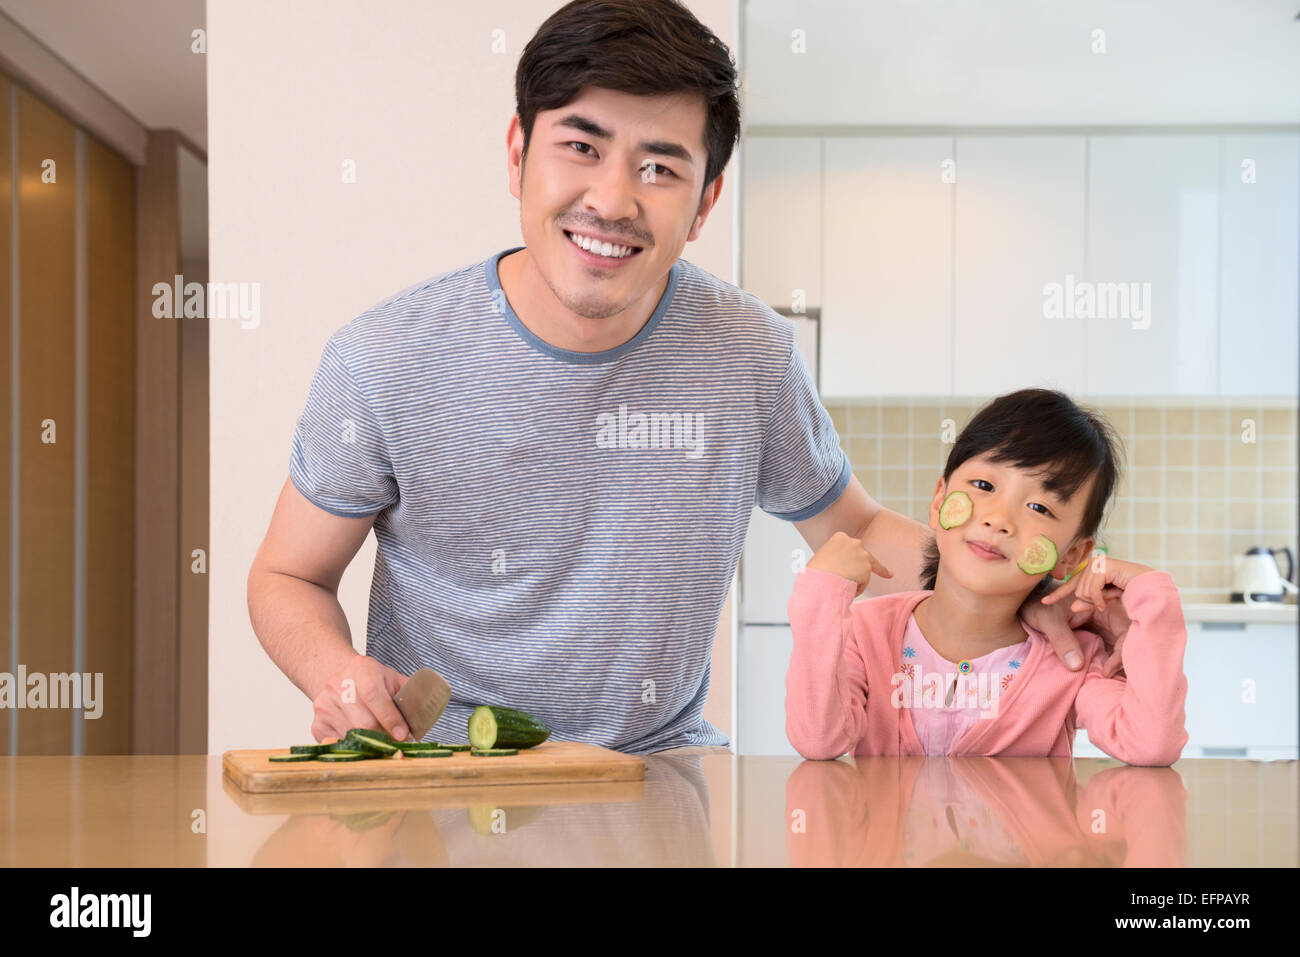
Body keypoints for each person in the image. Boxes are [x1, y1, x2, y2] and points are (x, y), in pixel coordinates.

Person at [246, 0, 1095, 756]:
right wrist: (340, 672)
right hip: (437, 778)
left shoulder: (750, 353)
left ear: (707, 199)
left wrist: (1020, 589)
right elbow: (287, 576)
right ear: (518, 153)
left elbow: (859, 525)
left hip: (661, 772)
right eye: (581, 146)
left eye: (660, 167)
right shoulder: (383, 357)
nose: (613, 201)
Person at [786, 389, 1189, 764]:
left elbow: (1150, 745)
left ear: (1073, 556)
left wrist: (1151, 597)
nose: (999, 519)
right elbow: (818, 740)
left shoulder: (1071, 662)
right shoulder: (866, 633)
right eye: (983, 485)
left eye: (1039, 508)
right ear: (939, 500)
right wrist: (821, 592)